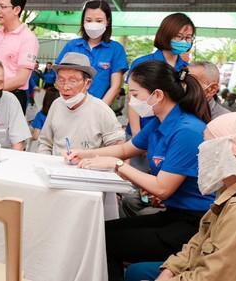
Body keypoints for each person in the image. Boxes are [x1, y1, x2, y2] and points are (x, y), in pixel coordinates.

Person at [65, 61, 214, 281]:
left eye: (135, 94)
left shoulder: (187, 131)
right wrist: (84, 153)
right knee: (100, 231)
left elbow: (162, 189)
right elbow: (126, 148)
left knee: (108, 243)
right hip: (173, 215)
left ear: (157, 95)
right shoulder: (158, 122)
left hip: (194, 226)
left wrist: (117, 165)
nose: (132, 101)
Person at [123, 113, 236, 281]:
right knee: (137, 271)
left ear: (228, 154)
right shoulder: (228, 186)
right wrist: (171, 269)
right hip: (201, 265)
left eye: (207, 145)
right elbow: (200, 239)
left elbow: (215, 275)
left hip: (209, 272)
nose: (200, 151)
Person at [37, 52, 124, 156]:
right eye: (61, 80)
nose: (65, 87)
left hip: (88, 169)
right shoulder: (56, 104)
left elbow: (118, 149)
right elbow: (45, 143)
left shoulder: (102, 111)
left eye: (72, 81)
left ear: (87, 83)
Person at [127, 12, 196, 137]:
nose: (183, 41)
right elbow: (132, 100)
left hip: (171, 134)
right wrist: (136, 133)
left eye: (188, 38)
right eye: (179, 37)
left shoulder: (187, 68)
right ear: (166, 35)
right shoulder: (142, 63)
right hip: (142, 130)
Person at [56, 0, 128, 105]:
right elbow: (61, 79)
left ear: (107, 21)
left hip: (99, 107)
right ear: (83, 21)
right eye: (89, 20)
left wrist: (99, 110)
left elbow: (115, 86)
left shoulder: (116, 49)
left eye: (99, 21)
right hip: (70, 106)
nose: (93, 24)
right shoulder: (72, 46)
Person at [0, 0, 39, 114]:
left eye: (3, 7)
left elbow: (21, 79)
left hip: (12, 97)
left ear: (17, 9)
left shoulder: (28, 38)